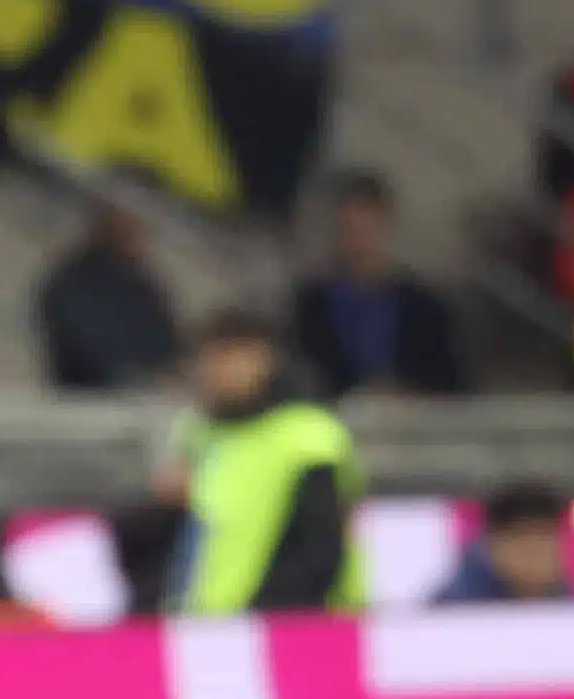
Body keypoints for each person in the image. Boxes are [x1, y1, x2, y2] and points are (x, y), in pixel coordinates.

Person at [163, 308, 367, 615]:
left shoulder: (309, 436)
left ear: (266, 360)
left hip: (296, 626)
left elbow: (320, 551)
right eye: (212, 359)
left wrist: (264, 619)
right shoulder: (203, 436)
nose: (220, 372)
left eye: (233, 358)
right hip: (215, 625)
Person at [293, 170, 464, 397]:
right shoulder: (313, 304)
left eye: (365, 229)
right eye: (349, 229)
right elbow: (304, 371)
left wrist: (405, 393)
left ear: (384, 224)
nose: (357, 240)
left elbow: (449, 379)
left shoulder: (424, 306)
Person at [36, 198, 180, 391]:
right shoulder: (73, 282)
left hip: (141, 395)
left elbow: (169, 344)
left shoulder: (141, 283)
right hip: (91, 397)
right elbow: (89, 352)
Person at [433, 482, 574, 605]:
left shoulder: (570, 604)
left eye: (545, 539)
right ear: (491, 546)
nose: (534, 556)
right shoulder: (453, 611)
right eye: (522, 544)